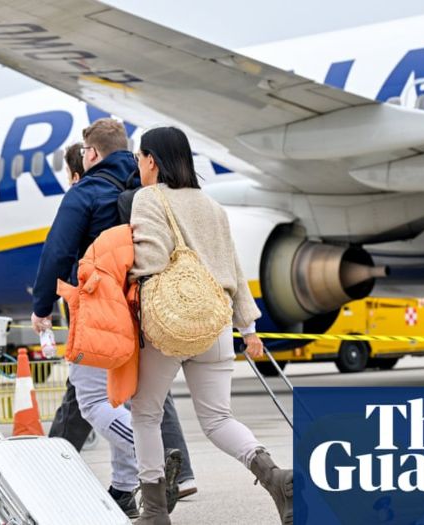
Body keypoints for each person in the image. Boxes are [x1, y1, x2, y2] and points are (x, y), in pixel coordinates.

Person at [32, 119, 196, 516]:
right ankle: (124, 488)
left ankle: (155, 457)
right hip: (146, 307)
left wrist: (41, 306)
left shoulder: (86, 192)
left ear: (91, 153)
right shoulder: (148, 189)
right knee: (128, 398)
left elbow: (57, 252)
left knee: (92, 400)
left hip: (100, 309)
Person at [129, 127, 293, 524]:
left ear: (152, 160)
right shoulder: (212, 205)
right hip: (215, 325)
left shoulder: (148, 198)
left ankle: (155, 512)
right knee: (218, 419)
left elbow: (151, 261)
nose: (139, 167)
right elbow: (234, 268)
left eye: (139, 159)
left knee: (146, 414)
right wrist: (248, 328)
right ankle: (275, 478)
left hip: (171, 324)